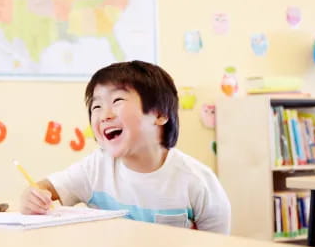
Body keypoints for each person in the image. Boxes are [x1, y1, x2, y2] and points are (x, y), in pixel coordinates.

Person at [19, 60, 231, 234]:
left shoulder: (197, 181)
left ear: (159, 114)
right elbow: (45, 188)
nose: (104, 115)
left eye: (117, 101)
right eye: (97, 106)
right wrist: (33, 197)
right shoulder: (95, 168)